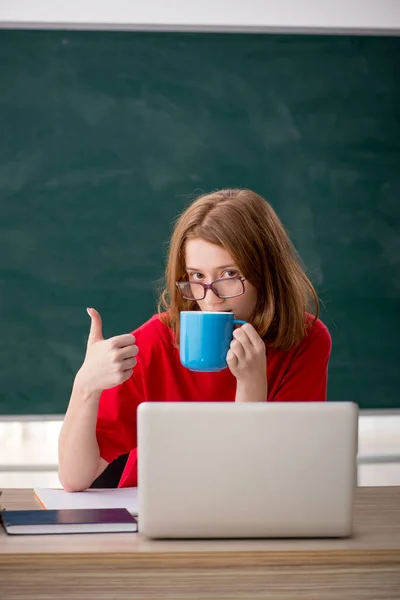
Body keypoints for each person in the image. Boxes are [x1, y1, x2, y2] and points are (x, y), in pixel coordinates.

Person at [58, 188, 332, 492]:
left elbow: (259, 484)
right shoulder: (155, 340)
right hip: (149, 513)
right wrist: (85, 386)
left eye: (229, 273)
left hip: (249, 517)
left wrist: (251, 386)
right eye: (197, 276)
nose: (211, 298)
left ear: (264, 274)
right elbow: (75, 478)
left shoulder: (305, 340)